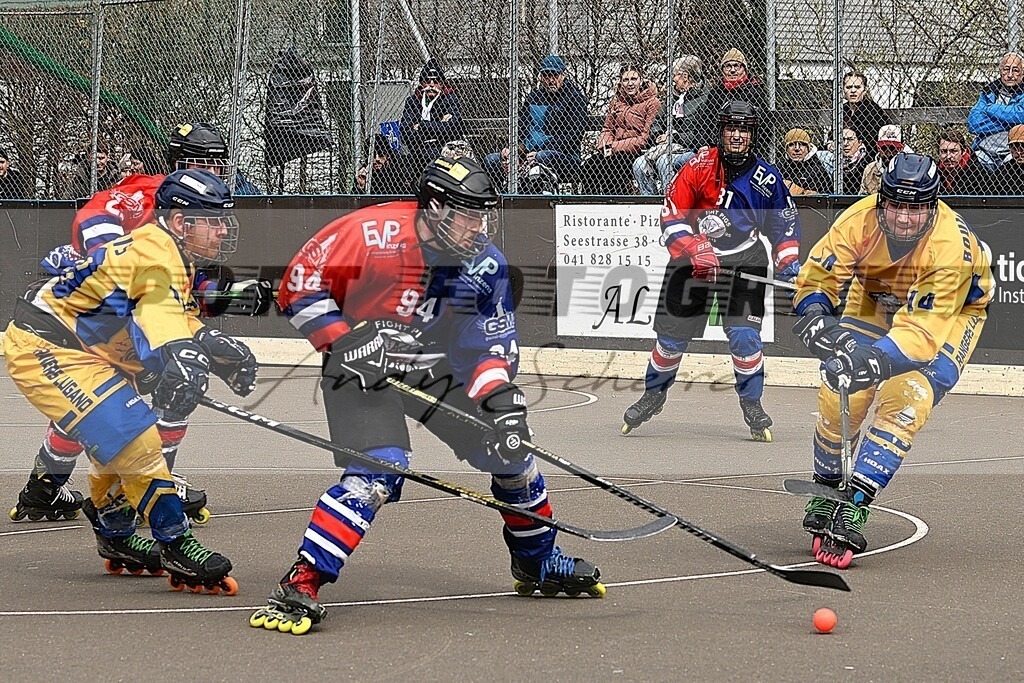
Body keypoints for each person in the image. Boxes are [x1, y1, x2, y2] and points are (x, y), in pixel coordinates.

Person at [257, 156, 604, 634]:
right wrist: (343, 339)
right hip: (360, 368)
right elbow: (298, 284)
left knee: (512, 453)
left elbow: (485, 348)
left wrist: (501, 404)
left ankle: (537, 561)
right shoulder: (372, 234)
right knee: (379, 469)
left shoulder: (485, 266)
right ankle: (303, 580)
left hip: (432, 368)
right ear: (436, 208)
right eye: (468, 215)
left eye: (482, 215)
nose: (478, 227)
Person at [8, 121, 271, 526]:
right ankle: (153, 486)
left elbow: (180, 290)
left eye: (218, 165)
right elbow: (96, 218)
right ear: (177, 163)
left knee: (91, 401)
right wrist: (112, 262)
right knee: (175, 379)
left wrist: (229, 296)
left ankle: (45, 487)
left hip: (121, 313)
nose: (213, 173)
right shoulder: (148, 193)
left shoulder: (200, 211)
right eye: (202, 164)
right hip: (100, 308)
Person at [791, 152, 992, 568]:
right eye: (895, 204)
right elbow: (819, 277)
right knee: (838, 390)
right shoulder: (857, 219)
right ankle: (826, 486)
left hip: (952, 315)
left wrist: (868, 361)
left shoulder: (949, 247)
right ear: (881, 200)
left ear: (932, 206)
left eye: (915, 208)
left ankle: (856, 501)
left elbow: (920, 337)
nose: (903, 218)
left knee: (907, 397)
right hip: (875, 297)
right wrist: (814, 315)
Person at [621, 101, 801, 442]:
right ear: (721, 131)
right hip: (693, 263)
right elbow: (671, 214)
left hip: (744, 259)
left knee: (745, 338)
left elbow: (784, 225)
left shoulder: (767, 178)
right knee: (671, 340)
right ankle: (654, 395)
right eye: (731, 128)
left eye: (744, 129)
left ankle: (752, 403)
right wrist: (694, 248)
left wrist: (787, 262)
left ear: (753, 135)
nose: (737, 135)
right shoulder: (698, 165)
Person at [484, 55, 587, 192]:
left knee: (542, 158)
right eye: (546, 75)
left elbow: (574, 135)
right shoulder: (534, 97)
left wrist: (538, 152)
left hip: (563, 157)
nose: (551, 80)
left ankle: (540, 199)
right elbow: (521, 127)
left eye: (555, 75)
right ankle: (505, 196)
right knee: (491, 160)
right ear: (541, 77)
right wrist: (515, 150)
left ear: (563, 75)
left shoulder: (575, 99)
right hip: (528, 153)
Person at [633, 55, 712, 196]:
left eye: (675, 75)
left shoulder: (706, 99)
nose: (673, 79)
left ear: (685, 77)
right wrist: (658, 134)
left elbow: (701, 133)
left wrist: (674, 136)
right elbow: (657, 120)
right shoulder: (673, 98)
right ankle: (650, 201)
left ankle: (671, 200)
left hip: (689, 148)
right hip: (667, 146)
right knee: (639, 164)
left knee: (664, 162)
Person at [581, 63, 659, 194]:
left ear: (641, 80)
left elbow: (645, 137)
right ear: (621, 82)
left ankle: (616, 201)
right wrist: (605, 145)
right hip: (613, 150)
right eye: (626, 80)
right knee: (589, 166)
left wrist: (615, 147)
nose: (630, 83)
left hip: (637, 151)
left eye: (633, 79)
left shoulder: (652, 103)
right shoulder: (616, 102)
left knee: (612, 167)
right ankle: (591, 202)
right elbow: (608, 128)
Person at [399, 58, 464, 170]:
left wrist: (421, 126)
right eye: (428, 81)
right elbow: (405, 131)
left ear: (442, 84)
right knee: (403, 165)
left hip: (443, 150)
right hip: (418, 150)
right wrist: (438, 127)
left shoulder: (450, 99)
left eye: (436, 81)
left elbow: (452, 128)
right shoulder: (413, 101)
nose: (432, 85)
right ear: (422, 83)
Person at [967, 52, 1024, 170]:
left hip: (1013, 153)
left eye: (1015, 70)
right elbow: (973, 124)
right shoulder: (989, 92)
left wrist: (990, 109)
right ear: (1000, 71)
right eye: (1006, 69)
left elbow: (1020, 116)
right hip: (984, 151)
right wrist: (1010, 123)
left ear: (1022, 73)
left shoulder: (1021, 94)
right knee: (972, 167)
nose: (1010, 75)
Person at [701, 49, 767, 145]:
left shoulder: (754, 91)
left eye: (737, 66)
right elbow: (705, 121)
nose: (732, 70)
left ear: (744, 69)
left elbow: (764, 124)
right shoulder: (716, 92)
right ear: (722, 70)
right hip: (718, 144)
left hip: (747, 144)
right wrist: (705, 144)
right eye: (728, 66)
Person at [842, 72, 889, 156]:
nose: (853, 91)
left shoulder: (873, 110)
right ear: (843, 90)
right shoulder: (842, 109)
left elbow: (873, 142)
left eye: (857, 87)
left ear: (864, 90)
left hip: (868, 155)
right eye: (849, 87)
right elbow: (832, 135)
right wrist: (830, 144)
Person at [777, 128, 832, 195]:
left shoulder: (819, 171)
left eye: (802, 144)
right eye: (791, 144)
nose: (797, 148)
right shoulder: (779, 168)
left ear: (809, 148)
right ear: (786, 149)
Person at [936, 128, 990, 195]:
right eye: (944, 151)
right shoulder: (934, 172)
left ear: (963, 151)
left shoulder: (978, 172)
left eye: (953, 151)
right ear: (938, 152)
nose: (948, 156)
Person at [859, 124, 906, 194]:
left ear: (901, 148)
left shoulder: (909, 170)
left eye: (892, 148)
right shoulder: (870, 169)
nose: (888, 153)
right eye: (884, 148)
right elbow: (862, 196)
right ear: (878, 148)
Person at [993, 124, 1024, 193]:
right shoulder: (1002, 172)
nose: (1019, 152)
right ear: (1010, 148)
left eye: (1023, 146)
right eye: (1015, 147)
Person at [840, 128, 870, 194]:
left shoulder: (867, 162)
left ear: (859, 142)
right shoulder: (835, 160)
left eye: (850, 139)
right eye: (842, 139)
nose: (845, 143)